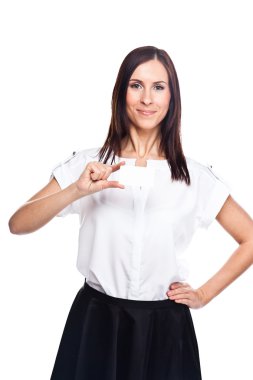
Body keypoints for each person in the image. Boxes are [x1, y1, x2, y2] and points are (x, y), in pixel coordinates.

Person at [9, 46, 253, 380]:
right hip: (96, 322)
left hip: (166, 329)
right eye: (136, 85)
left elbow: (249, 238)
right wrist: (76, 190)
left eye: (158, 87)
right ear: (121, 92)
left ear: (172, 97)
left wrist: (204, 294)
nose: (147, 99)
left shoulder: (194, 176)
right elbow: (17, 223)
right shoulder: (89, 164)